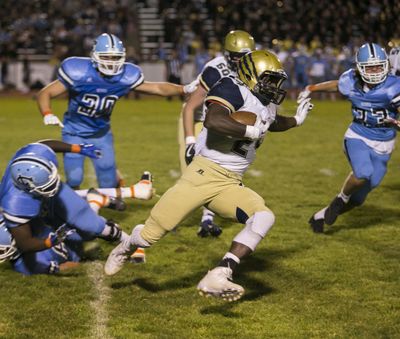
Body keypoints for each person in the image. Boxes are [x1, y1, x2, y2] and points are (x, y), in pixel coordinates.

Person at [104, 50, 314, 301]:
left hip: (230, 183)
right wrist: (249, 131)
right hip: (202, 175)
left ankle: (221, 273)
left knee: (263, 217)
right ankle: (126, 246)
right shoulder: (231, 87)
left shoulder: (264, 101)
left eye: (275, 81)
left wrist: (297, 121)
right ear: (250, 75)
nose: (273, 86)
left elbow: (271, 122)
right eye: (268, 79)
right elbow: (214, 121)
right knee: (149, 236)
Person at [37, 33, 196, 190]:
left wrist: (184, 88)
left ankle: (108, 199)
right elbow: (45, 93)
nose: (111, 62)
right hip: (73, 133)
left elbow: (157, 88)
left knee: (107, 181)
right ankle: (74, 209)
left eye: (115, 57)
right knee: (73, 179)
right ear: (95, 56)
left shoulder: (125, 76)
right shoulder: (79, 73)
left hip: (101, 133)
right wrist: (47, 112)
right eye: (106, 57)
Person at [300, 43, 400, 233]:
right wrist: (312, 88)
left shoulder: (393, 87)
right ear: (360, 68)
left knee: (359, 199)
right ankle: (341, 198)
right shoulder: (351, 80)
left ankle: (322, 214)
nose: (375, 71)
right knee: (363, 172)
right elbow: (337, 85)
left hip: (385, 143)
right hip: (357, 136)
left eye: (379, 66)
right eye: (370, 67)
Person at [179, 30, 255, 237]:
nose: (243, 63)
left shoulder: (254, 68)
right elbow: (190, 107)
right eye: (238, 58)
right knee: (200, 174)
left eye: (246, 58)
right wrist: (189, 140)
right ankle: (175, 215)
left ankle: (209, 218)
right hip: (207, 124)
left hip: (234, 127)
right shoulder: (215, 69)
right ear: (228, 55)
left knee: (229, 171)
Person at [0, 140, 127, 260]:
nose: (53, 183)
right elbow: (26, 243)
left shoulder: (37, 157)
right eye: (48, 184)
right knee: (72, 239)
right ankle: (93, 201)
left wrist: (78, 148)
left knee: (89, 224)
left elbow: (45, 145)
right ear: (29, 188)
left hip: (41, 195)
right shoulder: (15, 205)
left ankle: (121, 237)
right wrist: (50, 242)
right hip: (34, 209)